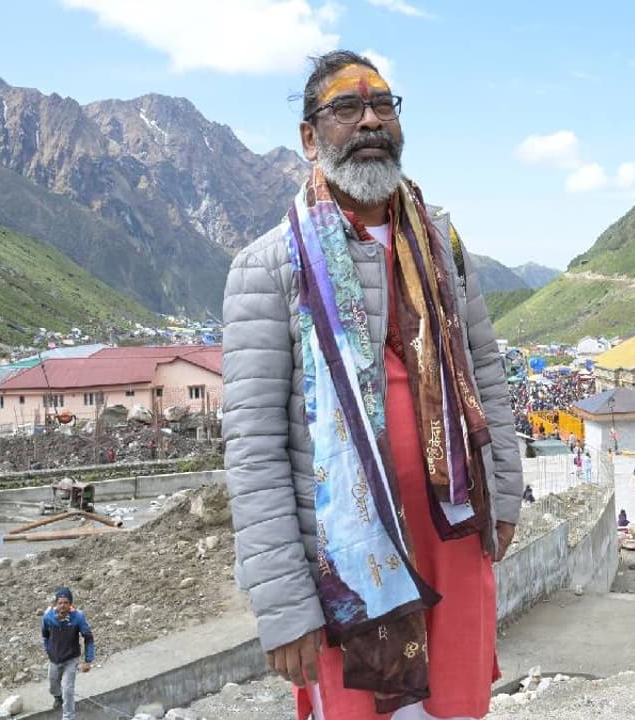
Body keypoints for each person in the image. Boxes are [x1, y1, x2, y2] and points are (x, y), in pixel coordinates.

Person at [223, 51, 523, 720]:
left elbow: (486, 372)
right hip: (346, 561)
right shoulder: (266, 267)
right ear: (310, 137)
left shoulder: (442, 242)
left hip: (452, 533)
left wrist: (504, 496)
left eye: (383, 105)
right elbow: (253, 447)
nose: (369, 121)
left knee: (456, 708)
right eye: (346, 108)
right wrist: (284, 604)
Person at [42, 587, 94, 718]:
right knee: (54, 685)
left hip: (71, 659)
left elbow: (88, 638)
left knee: (68, 690)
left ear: (70, 603)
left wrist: (88, 661)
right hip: (54, 659)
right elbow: (45, 635)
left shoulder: (78, 617)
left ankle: (68, 717)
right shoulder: (48, 617)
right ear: (56, 604)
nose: (63, 606)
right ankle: (57, 697)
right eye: (60, 603)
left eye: (66, 602)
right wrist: (48, 650)